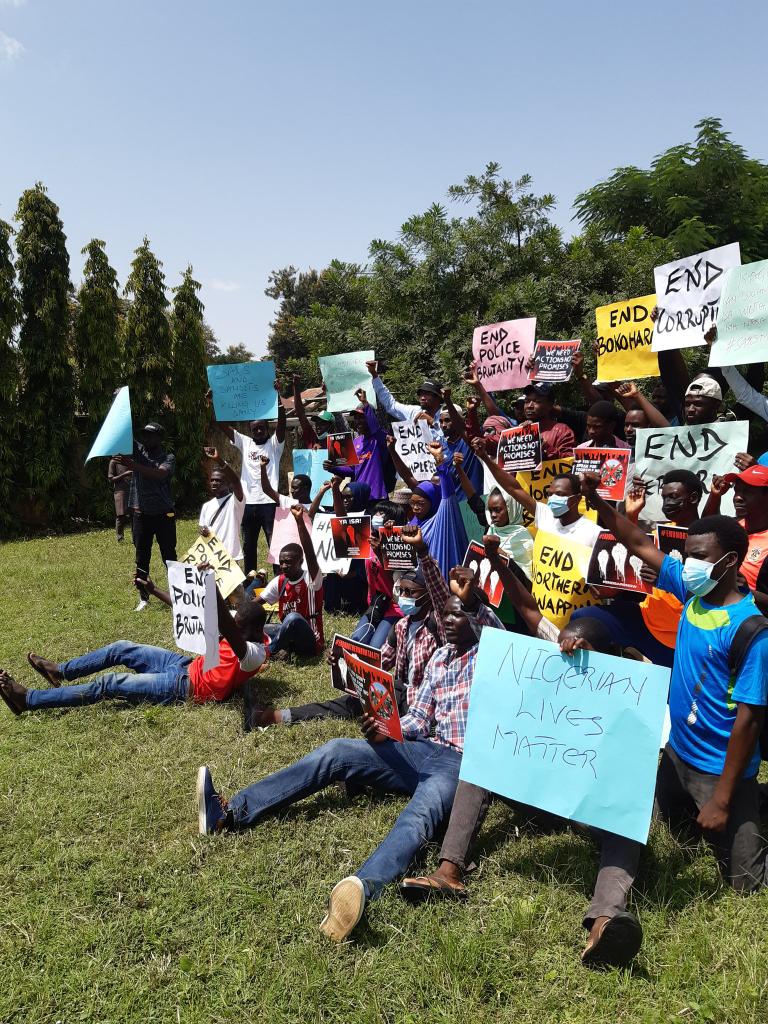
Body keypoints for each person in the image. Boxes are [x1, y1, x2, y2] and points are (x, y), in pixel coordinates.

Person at [195, 571, 501, 943]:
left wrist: (468, 601)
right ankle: (230, 813)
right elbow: (420, 717)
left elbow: (487, 619)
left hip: (459, 764)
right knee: (337, 750)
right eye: (447, 615)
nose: (449, 621)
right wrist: (387, 729)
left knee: (419, 814)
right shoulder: (440, 658)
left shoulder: (491, 653)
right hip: (423, 749)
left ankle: (360, 888)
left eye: (459, 615)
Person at [400, 542, 645, 969]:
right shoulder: (552, 649)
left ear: (613, 655)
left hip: (591, 804)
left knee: (630, 821)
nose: (574, 654)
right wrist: (498, 565)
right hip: (541, 788)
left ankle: (605, 919)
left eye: (586, 648)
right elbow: (526, 608)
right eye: (570, 641)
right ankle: (449, 871)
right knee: (483, 755)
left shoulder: (633, 684)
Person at [580, 475, 768, 897]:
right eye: (685, 555)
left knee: (746, 885)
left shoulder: (752, 631)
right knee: (663, 833)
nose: (687, 564)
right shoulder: (693, 592)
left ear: (730, 562)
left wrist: (721, 799)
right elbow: (638, 542)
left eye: (699, 557)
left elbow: (749, 721)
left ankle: (749, 803)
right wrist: (596, 499)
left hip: (723, 772)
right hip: (677, 755)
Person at [0, 577, 268, 713]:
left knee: (111, 684)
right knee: (122, 647)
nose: (233, 627)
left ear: (255, 631)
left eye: (238, 627)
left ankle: (29, 700)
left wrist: (211, 586)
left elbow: (227, 628)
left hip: (188, 688)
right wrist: (154, 591)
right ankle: (61, 671)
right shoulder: (241, 624)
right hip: (185, 665)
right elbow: (192, 612)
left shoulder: (256, 653)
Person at [570, 469, 703, 668]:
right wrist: (630, 515)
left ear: (693, 498)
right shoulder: (660, 531)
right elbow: (632, 545)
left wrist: (667, 577)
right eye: (664, 497)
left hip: (682, 636)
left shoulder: (707, 540)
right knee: (582, 620)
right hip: (646, 620)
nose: (666, 504)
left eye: (673, 497)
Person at [470, 438, 602, 547]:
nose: (553, 499)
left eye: (560, 494)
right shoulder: (546, 516)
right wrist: (485, 458)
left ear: (577, 499)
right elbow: (513, 488)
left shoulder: (592, 533)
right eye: (549, 494)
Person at [215, 380, 287, 576]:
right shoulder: (245, 442)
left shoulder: (274, 445)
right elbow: (222, 426)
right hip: (248, 503)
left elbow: (282, 424)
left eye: (261, 428)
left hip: (269, 502)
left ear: (267, 429)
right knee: (249, 545)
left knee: (274, 543)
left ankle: (279, 580)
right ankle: (251, 580)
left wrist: (278, 398)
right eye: (254, 429)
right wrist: (213, 403)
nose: (258, 431)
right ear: (250, 431)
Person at [113, 422, 177, 612]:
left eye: (150, 435)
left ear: (159, 438)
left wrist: (133, 465)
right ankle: (143, 597)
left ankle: (177, 594)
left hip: (164, 514)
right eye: (144, 435)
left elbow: (159, 474)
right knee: (141, 556)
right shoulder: (139, 452)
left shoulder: (168, 457)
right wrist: (120, 401)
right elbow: (122, 432)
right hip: (141, 514)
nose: (146, 439)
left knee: (169, 556)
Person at [253, 506, 324, 659]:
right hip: (286, 632)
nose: (284, 566)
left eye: (289, 562)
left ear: (301, 561)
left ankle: (267, 653)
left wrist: (299, 521)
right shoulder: (280, 581)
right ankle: (281, 649)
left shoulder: (311, 579)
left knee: (293, 618)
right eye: (282, 562)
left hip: (309, 639)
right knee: (257, 628)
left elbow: (310, 553)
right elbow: (255, 604)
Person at [704, 463, 768, 597]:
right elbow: (705, 529)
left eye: (748, 492)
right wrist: (715, 496)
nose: (738, 497)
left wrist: (746, 592)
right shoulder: (733, 526)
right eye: (737, 490)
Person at [324, 389, 388, 503]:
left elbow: (374, 425)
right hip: (358, 496)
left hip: (377, 496)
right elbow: (351, 470)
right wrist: (333, 467)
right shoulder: (356, 441)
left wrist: (365, 403)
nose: (358, 421)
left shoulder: (379, 438)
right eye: (356, 418)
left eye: (361, 417)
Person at [366, 359, 445, 442]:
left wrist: (432, 422)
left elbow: (455, 437)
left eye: (427, 394)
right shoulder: (415, 412)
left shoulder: (448, 414)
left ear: (438, 397)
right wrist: (374, 375)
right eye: (421, 394)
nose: (422, 397)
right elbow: (391, 405)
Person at [199, 446, 245, 561]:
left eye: (218, 480)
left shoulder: (235, 501)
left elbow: (236, 481)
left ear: (228, 484)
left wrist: (219, 460)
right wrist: (202, 531)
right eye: (212, 480)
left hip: (229, 557)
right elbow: (202, 527)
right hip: (211, 555)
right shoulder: (207, 506)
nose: (214, 483)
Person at [520, 383, 576, 459]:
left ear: (550, 405)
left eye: (537, 401)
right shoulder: (519, 430)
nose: (529, 406)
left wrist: (546, 448)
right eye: (526, 401)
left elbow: (569, 461)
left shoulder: (562, 431)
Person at [107, 458, 132, 542]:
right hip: (120, 491)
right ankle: (120, 538)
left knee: (134, 515)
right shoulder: (114, 461)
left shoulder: (131, 460)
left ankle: (136, 537)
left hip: (132, 489)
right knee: (121, 515)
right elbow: (111, 479)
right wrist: (125, 474)